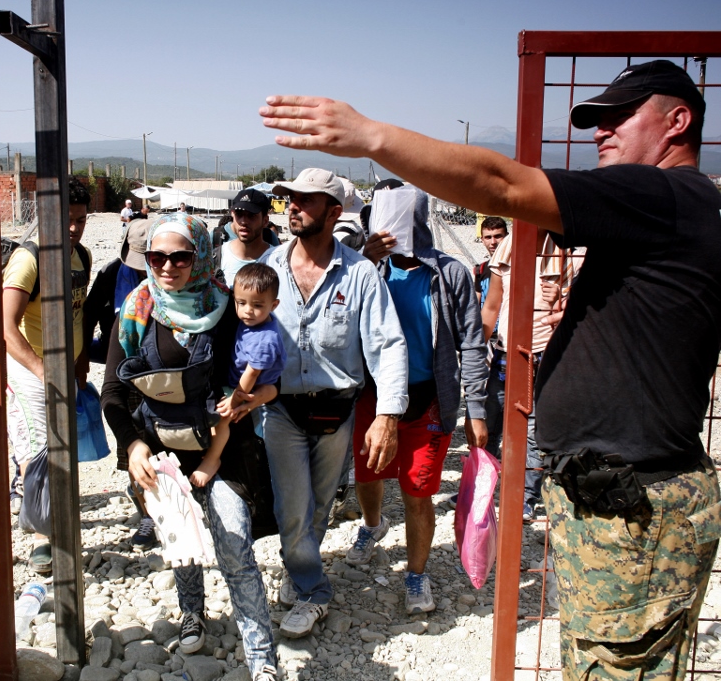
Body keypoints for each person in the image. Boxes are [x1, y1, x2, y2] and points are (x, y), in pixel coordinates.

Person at [260, 58, 721, 680]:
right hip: (613, 496)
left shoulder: (665, 194)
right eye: (596, 121)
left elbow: (503, 186)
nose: (599, 134)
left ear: (678, 121)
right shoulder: (663, 211)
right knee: (595, 662)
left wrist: (370, 135)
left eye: (618, 118)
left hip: (635, 502)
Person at [102, 213, 281, 681]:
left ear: (199, 256)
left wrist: (250, 399)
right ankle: (192, 613)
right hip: (160, 454)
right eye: (156, 256)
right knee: (183, 544)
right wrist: (133, 447)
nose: (166, 266)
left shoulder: (229, 309)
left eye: (179, 256)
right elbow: (113, 393)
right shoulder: (137, 309)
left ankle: (262, 659)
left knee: (236, 547)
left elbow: (264, 376)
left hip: (225, 449)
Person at [262, 168, 408, 638]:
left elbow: (387, 345)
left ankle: (299, 568)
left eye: (306, 201)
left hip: (336, 410)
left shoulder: (361, 274)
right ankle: (313, 591)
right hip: (281, 408)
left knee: (321, 504)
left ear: (334, 212)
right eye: (290, 200)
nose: (294, 208)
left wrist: (387, 415)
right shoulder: (270, 265)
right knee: (292, 504)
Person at [346, 186, 487, 615]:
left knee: (418, 488)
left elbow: (472, 343)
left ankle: (416, 573)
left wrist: (476, 410)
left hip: (428, 399)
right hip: (373, 396)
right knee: (368, 474)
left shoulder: (450, 274)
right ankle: (373, 525)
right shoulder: (366, 269)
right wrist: (365, 260)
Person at [3, 175, 92, 573]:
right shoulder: (29, 259)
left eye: (81, 220)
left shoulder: (80, 257)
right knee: (39, 451)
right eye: (66, 220)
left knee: (61, 450)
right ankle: (42, 538)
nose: (73, 228)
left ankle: (47, 516)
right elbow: (6, 328)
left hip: (63, 373)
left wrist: (79, 363)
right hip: (30, 372)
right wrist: (42, 371)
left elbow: (79, 314)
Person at [481, 229, 579, 522]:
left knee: (534, 431)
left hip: (543, 354)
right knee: (489, 424)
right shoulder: (509, 248)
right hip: (504, 353)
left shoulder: (561, 252)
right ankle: (481, 490)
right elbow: (492, 306)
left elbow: (576, 312)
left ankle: (525, 498)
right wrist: (474, 350)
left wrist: (560, 298)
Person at [81, 219, 157, 548]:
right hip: (125, 376)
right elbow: (86, 315)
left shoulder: (180, 276)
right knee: (134, 446)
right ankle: (148, 514)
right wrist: (82, 356)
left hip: (166, 377)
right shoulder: (112, 275)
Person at [195, 263, 286, 486]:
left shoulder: (264, 339)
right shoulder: (254, 322)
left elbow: (253, 373)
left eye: (257, 305)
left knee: (223, 419)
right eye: (241, 303)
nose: (247, 311)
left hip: (249, 385)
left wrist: (235, 399)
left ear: (274, 305)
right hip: (241, 378)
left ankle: (212, 460)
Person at [214, 188, 277, 287]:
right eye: (239, 214)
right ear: (232, 216)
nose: (243, 221)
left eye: (251, 215)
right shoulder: (217, 257)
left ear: (265, 221)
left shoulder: (278, 260)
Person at [473, 216, 508, 306]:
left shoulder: (518, 267)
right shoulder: (480, 270)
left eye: (498, 236)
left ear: (507, 237)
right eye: (488, 237)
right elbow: (476, 303)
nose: (493, 242)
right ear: (482, 240)